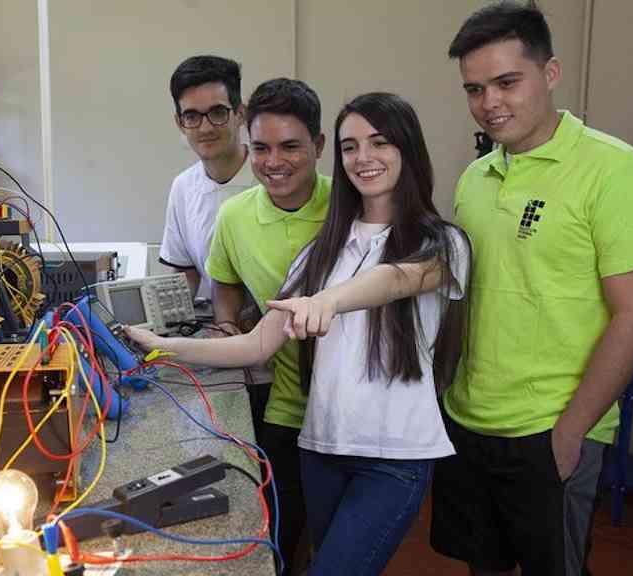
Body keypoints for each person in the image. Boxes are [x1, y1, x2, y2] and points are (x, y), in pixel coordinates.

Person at [128, 92, 470, 576]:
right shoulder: (322, 250)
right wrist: (161, 345)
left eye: (380, 142)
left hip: (394, 457)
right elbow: (256, 345)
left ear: (408, 148)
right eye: (350, 147)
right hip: (321, 448)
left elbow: (395, 280)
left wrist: (326, 301)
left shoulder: (443, 243)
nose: (363, 157)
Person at [430, 3, 633, 576]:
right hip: (470, 418)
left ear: (551, 72)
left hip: (551, 427)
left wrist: (571, 431)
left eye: (507, 82)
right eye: (474, 89)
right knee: (483, 566)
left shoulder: (616, 171)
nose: (490, 102)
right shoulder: (475, 178)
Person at [203, 77, 332, 574]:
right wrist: (226, 323)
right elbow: (225, 281)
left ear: (319, 145)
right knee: (280, 530)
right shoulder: (234, 216)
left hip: (350, 410)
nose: (274, 161)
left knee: (334, 541)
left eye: (290, 146)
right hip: (285, 400)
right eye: (260, 148)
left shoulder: (350, 206)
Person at [160, 55, 256, 300]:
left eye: (218, 112)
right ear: (180, 123)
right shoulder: (183, 187)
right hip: (215, 319)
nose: (205, 128)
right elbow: (185, 270)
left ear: (240, 114)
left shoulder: (271, 178)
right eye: (192, 116)